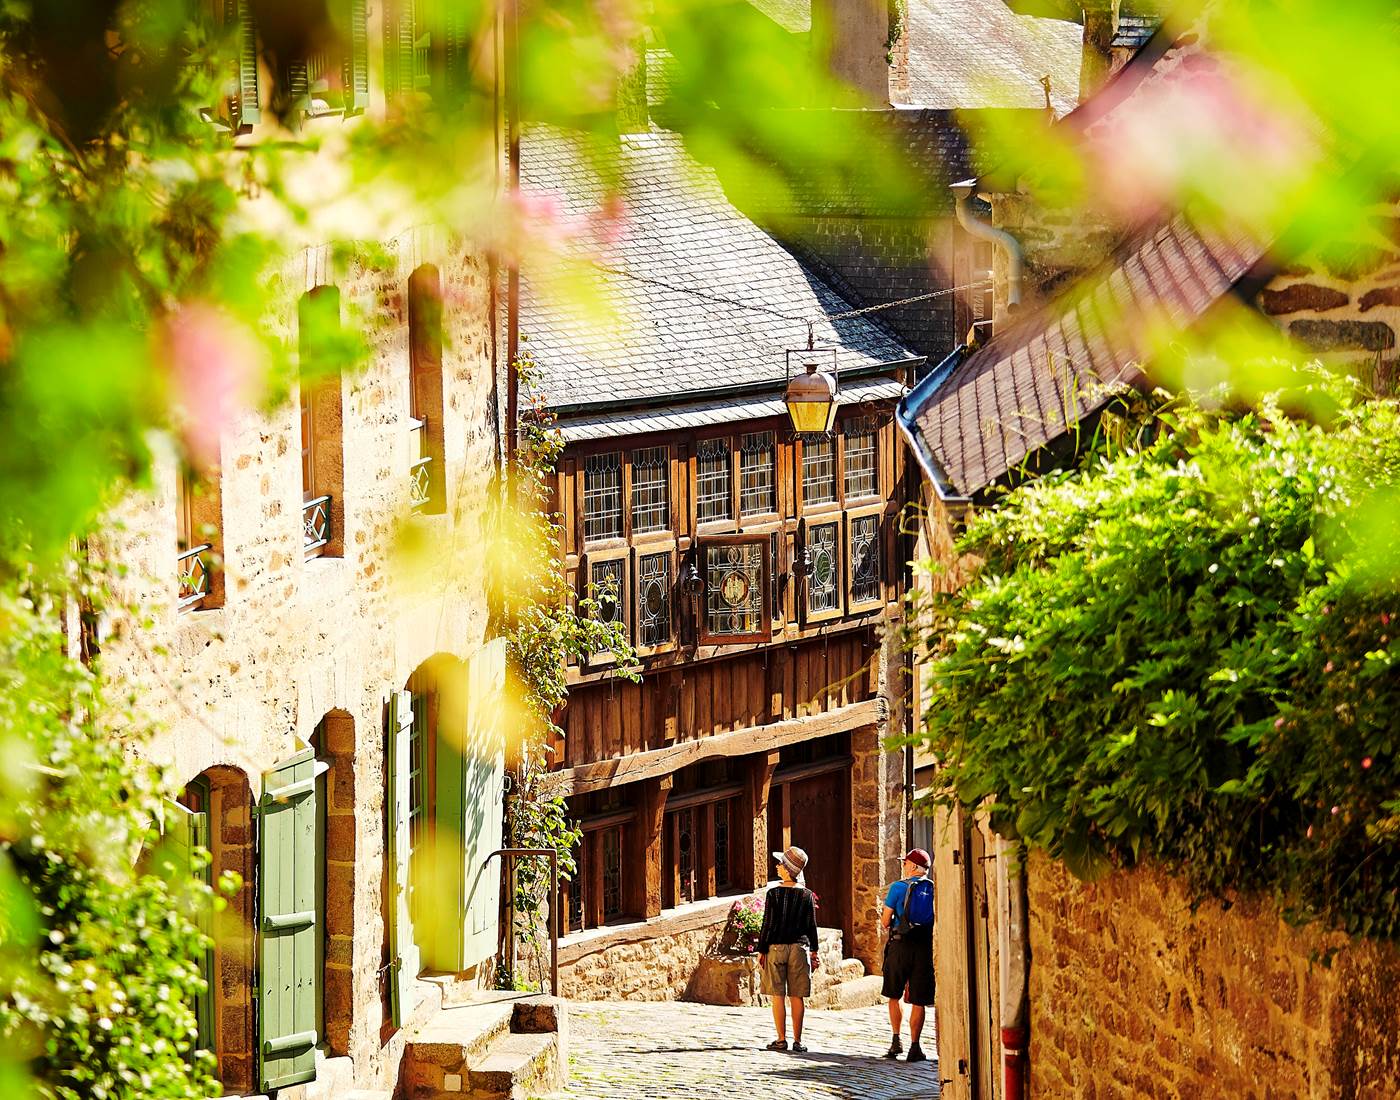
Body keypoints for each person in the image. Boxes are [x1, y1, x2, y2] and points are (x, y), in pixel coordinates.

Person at [756, 845, 820, 1053]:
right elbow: (811, 926)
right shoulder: (807, 895)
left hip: (776, 948)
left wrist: (761, 949)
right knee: (796, 996)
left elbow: (768, 924)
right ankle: (798, 1041)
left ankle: (781, 1039)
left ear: (787, 869)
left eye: (780, 864)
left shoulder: (773, 894)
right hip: (799, 949)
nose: (777, 866)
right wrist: (814, 951)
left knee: (778, 995)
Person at [880, 848, 935, 1062]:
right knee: (919, 999)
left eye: (905, 863)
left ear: (912, 866)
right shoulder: (933, 888)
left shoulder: (898, 887)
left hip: (900, 945)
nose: (903, 866)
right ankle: (915, 1046)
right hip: (923, 947)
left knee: (894, 994)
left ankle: (896, 1040)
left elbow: (885, 921)